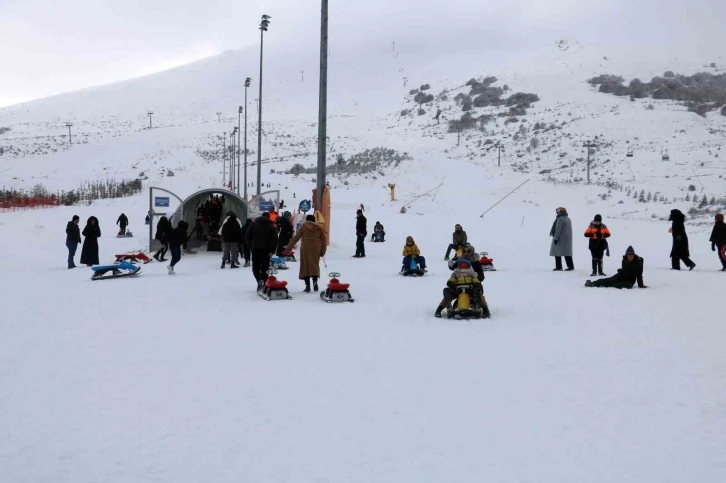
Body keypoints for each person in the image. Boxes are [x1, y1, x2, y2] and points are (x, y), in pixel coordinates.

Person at [286, 214, 327, 292]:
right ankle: (315, 283)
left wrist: (288, 247)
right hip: (316, 248)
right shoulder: (319, 228)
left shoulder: (304, 226)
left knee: (305, 265)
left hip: (305, 247)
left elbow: (296, 238)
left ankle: (307, 286)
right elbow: (324, 240)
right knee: (314, 264)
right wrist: (323, 250)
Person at [245, 212, 278, 290]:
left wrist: (251, 246)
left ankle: (259, 280)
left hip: (255, 249)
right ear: (268, 218)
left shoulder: (253, 224)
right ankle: (262, 281)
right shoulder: (271, 226)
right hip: (266, 250)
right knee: (265, 268)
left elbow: (247, 236)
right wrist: (272, 250)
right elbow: (275, 239)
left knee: (255, 267)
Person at [550, 207, 574, 271]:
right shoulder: (568, 219)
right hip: (567, 239)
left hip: (560, 239)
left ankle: (559, 267)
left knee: (557, 252)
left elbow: (558, 230)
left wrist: (555, 238)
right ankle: (571, 266)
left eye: (557, 212)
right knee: (567, 253)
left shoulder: (560, 219)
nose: (556, 213)